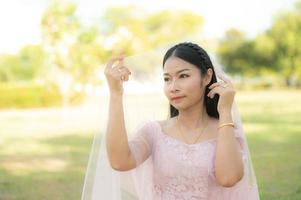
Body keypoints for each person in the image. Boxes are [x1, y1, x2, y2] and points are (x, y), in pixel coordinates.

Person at [81, 42, 260, 200]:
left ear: (206, 77)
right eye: (167, 79)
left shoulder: (226, 131)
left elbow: (228, 178)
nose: (173, 87)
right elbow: (120, 162)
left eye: (183, 76)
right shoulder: (154, 132)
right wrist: (116, 94)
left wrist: (225, 112)